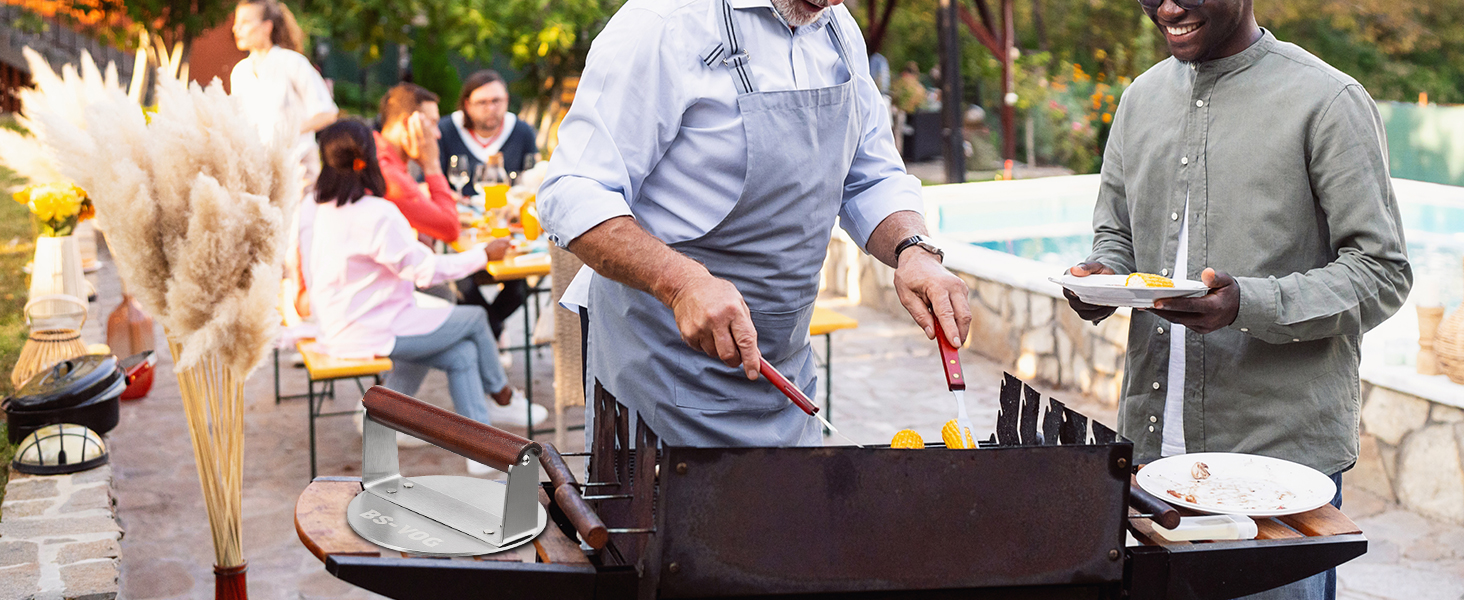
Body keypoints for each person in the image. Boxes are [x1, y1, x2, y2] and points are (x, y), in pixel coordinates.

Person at [1062, 1, 1411, 598]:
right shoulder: (1139, 99)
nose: (1167, 7)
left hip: (1274, 476)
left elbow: (1381, 273)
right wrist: (1102, 278)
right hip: (1147, 463)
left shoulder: (1327, 100)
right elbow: (1117, 235)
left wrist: (1246, 304)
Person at [539, 0, 972, 448]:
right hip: (660, 371)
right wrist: (680, 284)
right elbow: (573, 190)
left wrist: (914, 250)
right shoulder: (662, 22)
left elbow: (871, 175)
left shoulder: (837, 30)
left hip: (786, 374)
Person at [307, 121, 545, 457]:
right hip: (369, 326)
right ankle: (503, 396)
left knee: (461, 354)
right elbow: (426, 272)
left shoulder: (320, 206)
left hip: (341, 321)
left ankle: (480, 451)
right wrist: (483, 255)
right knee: (475, 318)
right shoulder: (376, 213)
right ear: (368, 159)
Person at [437, 71, 538, 341]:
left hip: (507, 227)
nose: (491, 108)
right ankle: (490, 335)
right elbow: (431, 180)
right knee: (463, 283)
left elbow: (531, 179)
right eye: (483, 102)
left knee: (525, 279)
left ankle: (486, 332)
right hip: (462, 228)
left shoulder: (521, 131)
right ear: (467, 104)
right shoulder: (447, 130)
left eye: (498, 100)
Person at [230, 0, 338, 189]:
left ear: (267, 27)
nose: (236, 29)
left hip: (298, 171)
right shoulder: (240, 72)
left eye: (245, 22)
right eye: (236, 22)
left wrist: (288, 132)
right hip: (258, 172)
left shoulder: (293, 63)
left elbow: (328, 113)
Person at [373, 83, 459, 245]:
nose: (438, 134)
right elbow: (450, 228)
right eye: (432, 123)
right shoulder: (386, 171)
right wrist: (432, 165)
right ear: (408, 124)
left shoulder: (376, 153)